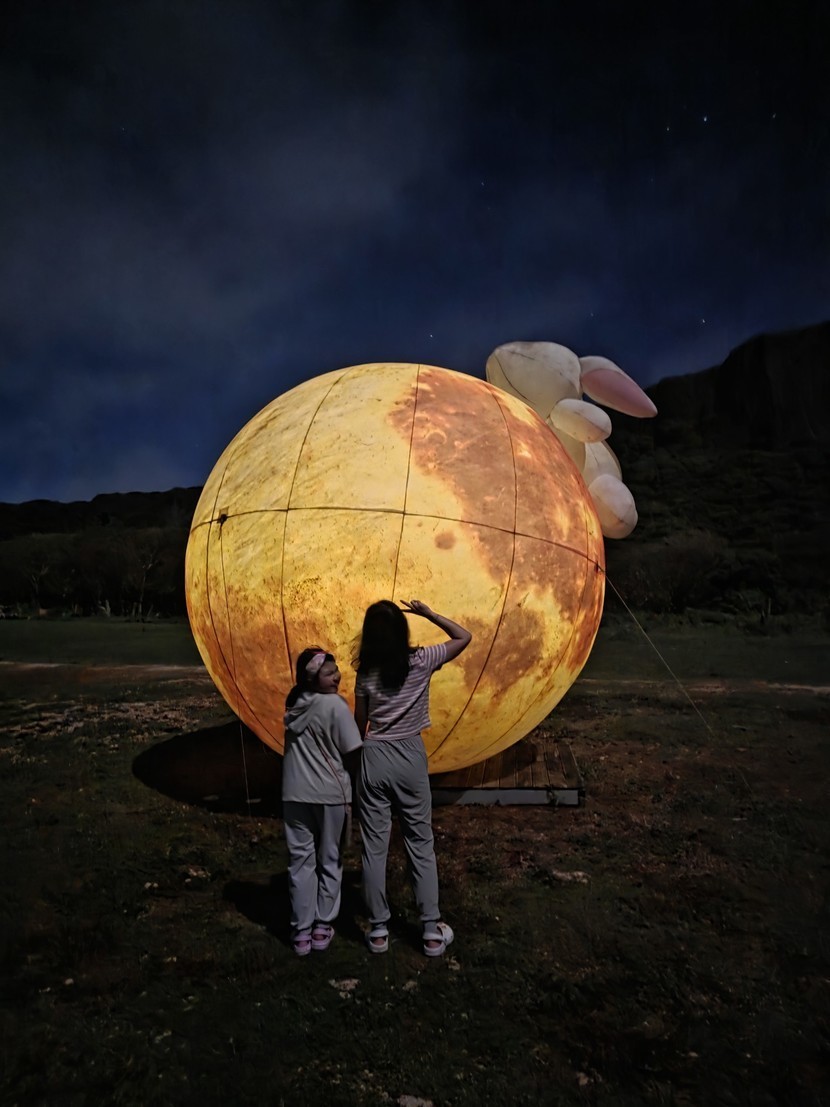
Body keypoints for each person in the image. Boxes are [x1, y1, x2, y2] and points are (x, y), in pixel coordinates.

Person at [353, 599, 472, 956]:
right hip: (409, 757)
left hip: (374, 755)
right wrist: (430, 615)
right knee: (420, 843)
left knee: (374, 847)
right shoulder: (422, 660)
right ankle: (431, 931)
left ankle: (378, 931)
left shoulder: (365, 672)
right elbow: (463, 637)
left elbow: (360, 724)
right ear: (402, 631)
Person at [282, 647, 363, 956]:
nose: (337, 676)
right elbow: (353, 750)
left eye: (336, 670)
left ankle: (301, 931)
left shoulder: (294, 705)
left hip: (294, 793)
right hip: (331, 795)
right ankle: (322, 924)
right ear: (313, 679)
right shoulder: (335, 706)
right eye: (329, 673)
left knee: (300, 861)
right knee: (330, 859)